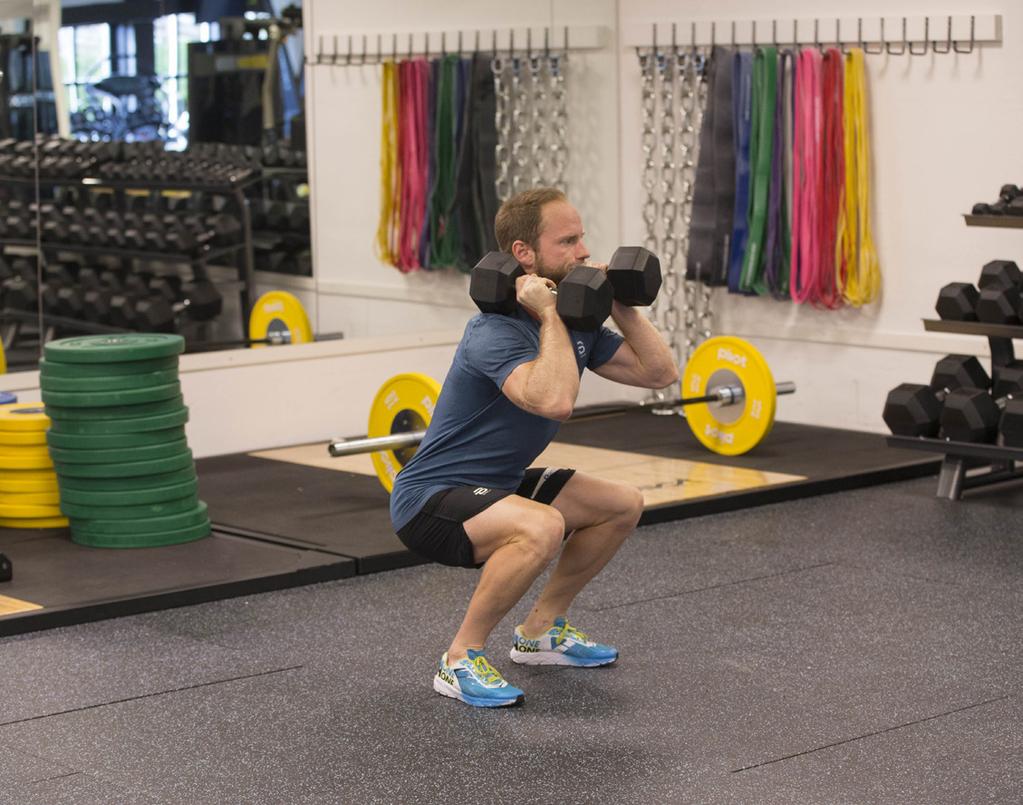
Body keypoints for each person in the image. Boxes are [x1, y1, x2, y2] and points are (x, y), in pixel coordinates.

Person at [389, 187, 679, 708]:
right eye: (567, 241)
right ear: (525, 254)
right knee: (541, 525)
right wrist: (549, 318)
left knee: (621, 503)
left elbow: (659, 373)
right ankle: (459, 659)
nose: (585, 252)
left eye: (582, 238)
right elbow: (554, 401)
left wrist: (620, 306)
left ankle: (542, 631)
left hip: (496, 487)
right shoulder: (493, 332)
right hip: (430, 500)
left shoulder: (576, 325)